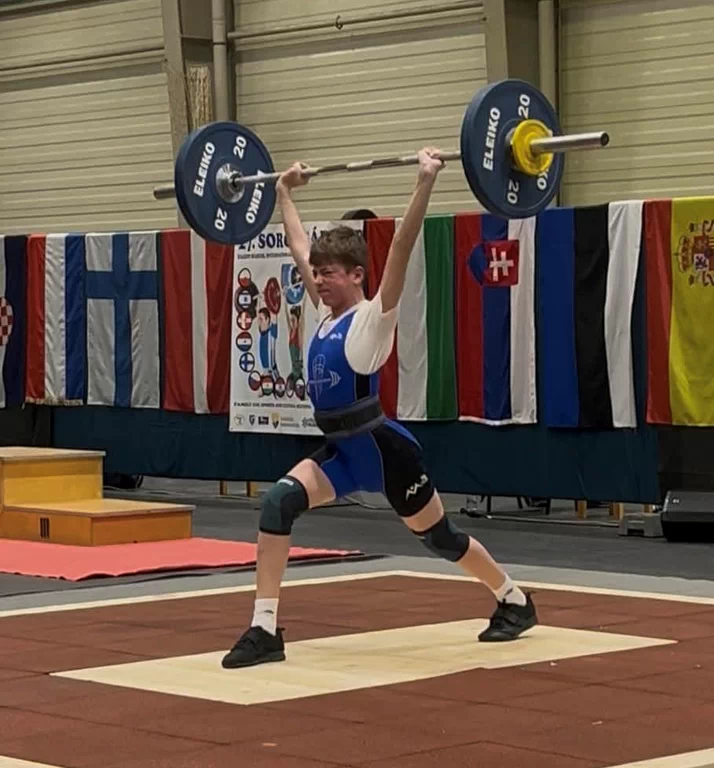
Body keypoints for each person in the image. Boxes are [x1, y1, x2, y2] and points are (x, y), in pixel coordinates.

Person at [222, 148, 537, 669]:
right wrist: (283, 192)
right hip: (341, 454)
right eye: (316, 273)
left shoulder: (372, 319)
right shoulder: (323, 314)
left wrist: (425, 180)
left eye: (329, 273)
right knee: (278, 503)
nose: (318, 280)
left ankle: (514, 599)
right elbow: (298, 245)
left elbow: (401, 249)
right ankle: (264, 629)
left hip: (387, 455)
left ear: (357, 276)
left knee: (441, 539)